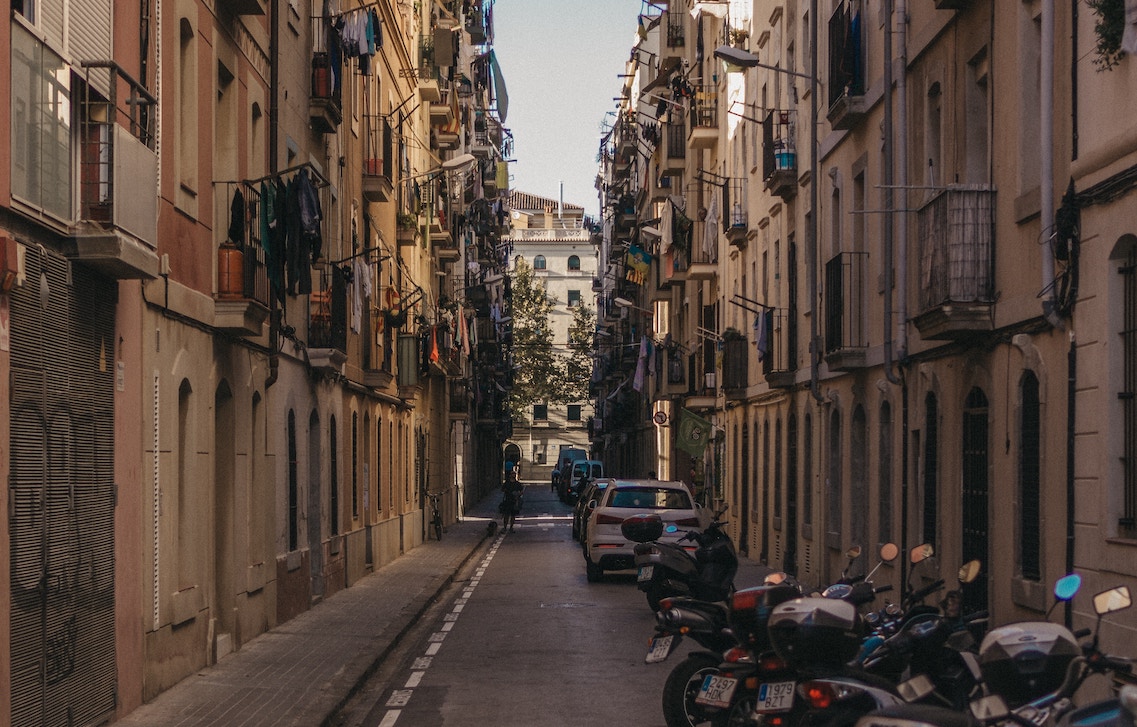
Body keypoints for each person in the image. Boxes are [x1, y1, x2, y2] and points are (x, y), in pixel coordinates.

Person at [501, 462, 524, 533]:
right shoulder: (507, 483)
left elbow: (521, 491)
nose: (513, 475)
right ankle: (505, 527)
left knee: (513, 515)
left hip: (514, 500)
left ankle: (511, 527)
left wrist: (518, 494)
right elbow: (502, 489)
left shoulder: (517, 484)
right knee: (506, 515)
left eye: (514, 474)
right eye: (512, 474)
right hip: (508, 500)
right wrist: (506, 491)